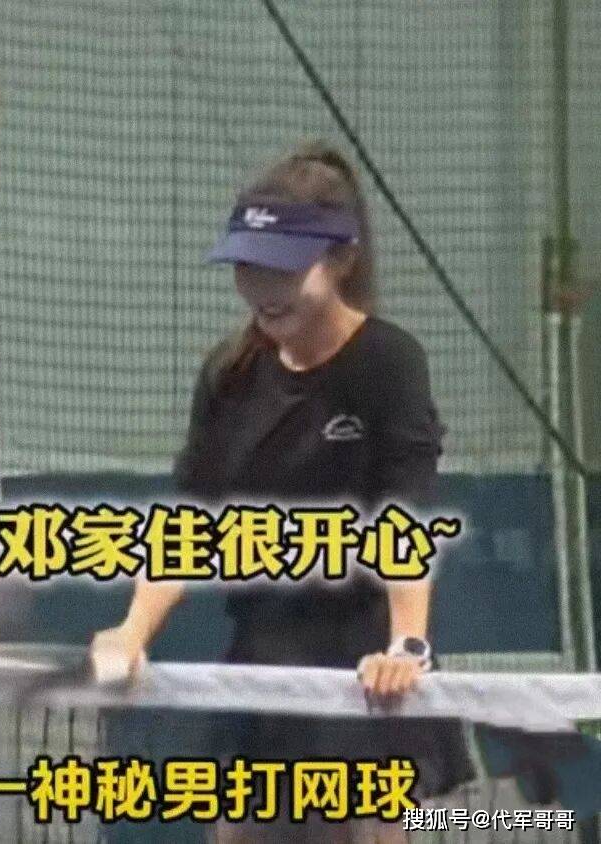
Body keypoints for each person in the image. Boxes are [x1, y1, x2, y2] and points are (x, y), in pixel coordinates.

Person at [92, 141, 472, 842]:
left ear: (341, 261)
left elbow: (403, 514)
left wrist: (406, 645)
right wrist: (130, 632)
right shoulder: (229, 372)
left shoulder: (389, 362)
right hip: (260, 663)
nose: (263, 288)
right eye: (248, 267)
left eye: (284, 269)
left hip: (366, 664)